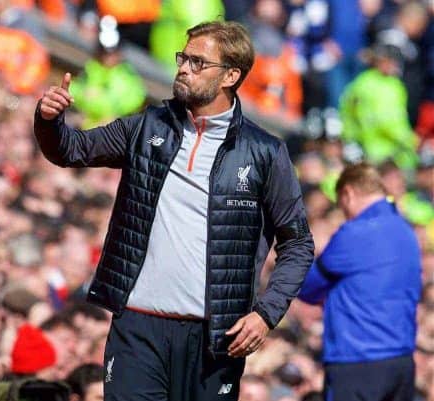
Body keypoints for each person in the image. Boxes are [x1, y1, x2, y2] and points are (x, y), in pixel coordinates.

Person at [34, 20, 314, 400]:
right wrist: (49, 121)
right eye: (183, 57)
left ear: (231, 75)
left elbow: (297, 244)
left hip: (214, 340)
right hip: (137, 328)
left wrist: (266, 313)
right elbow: (71, 149)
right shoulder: (148, 125)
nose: (183, 67)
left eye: (198, 62)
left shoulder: (264, 152)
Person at [298, 163, 421, 401]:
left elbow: (307, 287)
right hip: (402, 362)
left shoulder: (355, 232)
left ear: (348, 194)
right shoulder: (406, 232)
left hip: (357, 361)